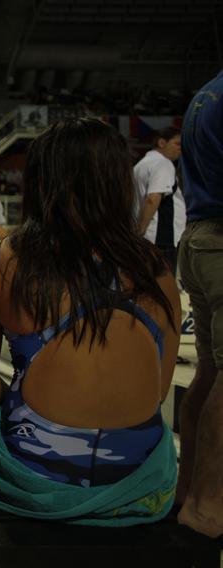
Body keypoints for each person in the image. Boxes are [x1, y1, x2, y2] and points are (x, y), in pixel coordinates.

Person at [0, 118, 181, 525]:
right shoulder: (154, 267)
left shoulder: (2, 260)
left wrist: (21, 404)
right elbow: (157, 391)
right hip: (136, 480)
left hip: (38, 478)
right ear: (117, 183)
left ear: (40, 182)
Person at [176, 70, 223, 538]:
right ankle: (208, 506)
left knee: (208, 370)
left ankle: (187, 488)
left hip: (199, 235)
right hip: (220, 240)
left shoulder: (208, 90)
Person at [134, 127, 184, 275]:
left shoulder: (141, 165)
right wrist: (141, 229)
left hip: (147, 236)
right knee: (164, 289)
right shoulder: (163, 163)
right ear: (162, 143)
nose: (181, 148)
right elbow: (153, 198)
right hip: (160, 238)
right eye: (177, 143)